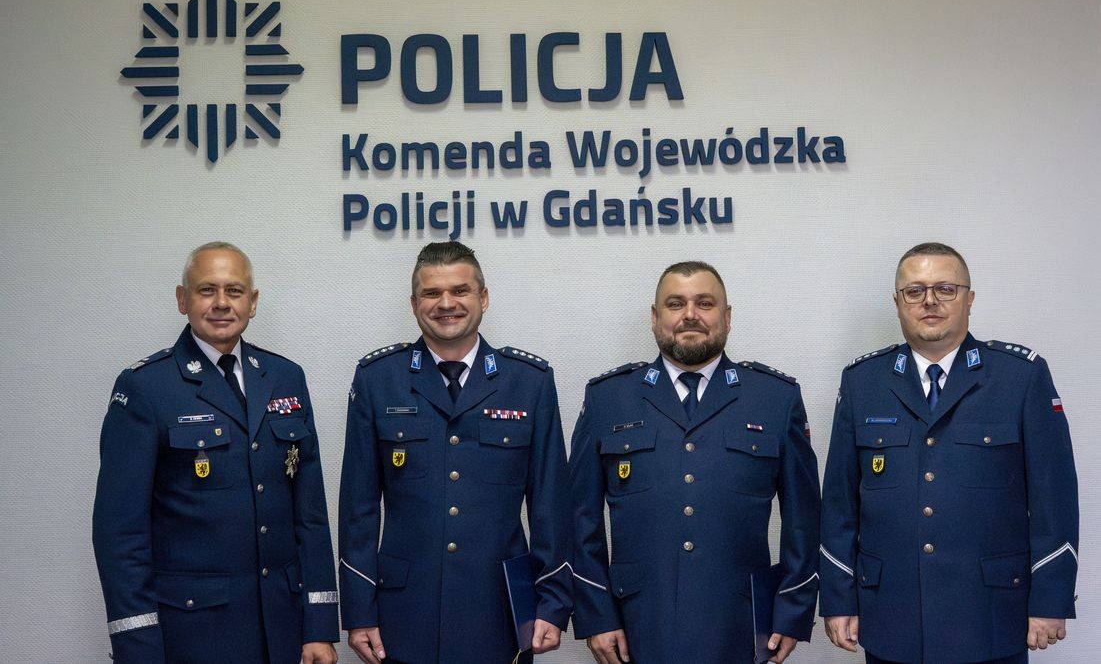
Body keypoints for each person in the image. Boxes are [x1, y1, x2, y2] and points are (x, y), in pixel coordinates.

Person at [819, 242, 1079, 663]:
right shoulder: (862, 382)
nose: (930, 301)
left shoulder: (1020, 377)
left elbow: (1055, 498)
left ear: (969, 299)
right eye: (915, 291)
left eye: (945, 289)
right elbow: (838, 505)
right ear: (897, 303)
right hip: (892, 617)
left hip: (991, 616)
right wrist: (838, 597)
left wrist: (1051, 597)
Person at [92, 242, 339, 663]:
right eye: (207, 290)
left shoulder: (285, 377)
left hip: (281, 629)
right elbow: (120, 534)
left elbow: (310, 513)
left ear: (253, 302)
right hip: (193, 634)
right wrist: (138, 649)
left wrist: (318, 626)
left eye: (234, 291)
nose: (222, 303)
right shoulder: (146, 387)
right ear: (182, 299)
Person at [569, 261, 820, 664]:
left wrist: (792, 610)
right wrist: (596, 614)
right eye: (675, 304)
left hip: (740, 622)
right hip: (637, 623)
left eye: (705, 303)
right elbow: (579, 519)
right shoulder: (608, 398)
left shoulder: (775, 398)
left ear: (727, 316)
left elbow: (804, 519)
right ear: (655, 317)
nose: (690, 314)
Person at [338, 241, 571, 664]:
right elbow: (358, 509)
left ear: (483, 297)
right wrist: (358, 611)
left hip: (500, 616)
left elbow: (550, 505)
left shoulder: (529, 381)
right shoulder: (378, 379)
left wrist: (553, 601)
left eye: (460, 291)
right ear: (414, 304)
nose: (446, 303)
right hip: (402, 617)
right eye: (431, 293)